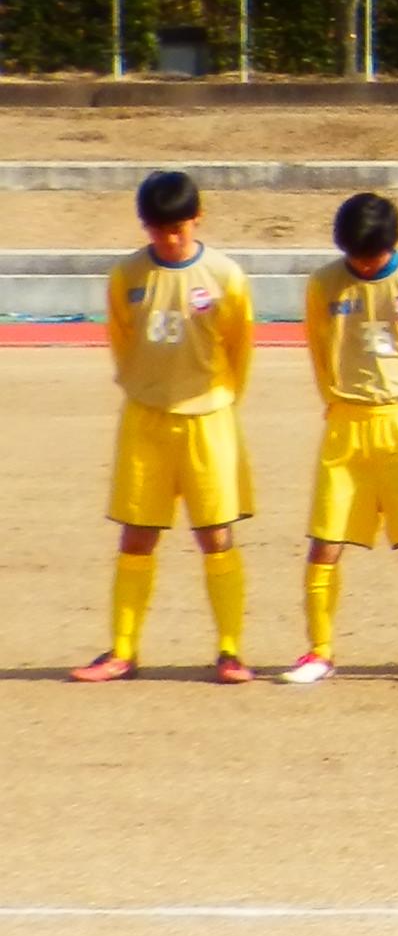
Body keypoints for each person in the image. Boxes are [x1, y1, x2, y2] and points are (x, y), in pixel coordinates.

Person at [79, 167, 256, 684]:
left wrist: (220, 398)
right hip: (145, 419)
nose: (169, 237)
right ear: (144, 226)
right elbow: (121, 337)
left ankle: (230, 650)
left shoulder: (225, 277)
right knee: (137, 535)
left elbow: (238, 347)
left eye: (178, 227)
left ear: (197, 218)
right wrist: (143, 386)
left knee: (216, 534)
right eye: (158, 228)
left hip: (208, 420)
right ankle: (122, 650)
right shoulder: (128, 276)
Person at [288, 188, 398, 687]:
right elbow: (320, 348)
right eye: (353, 256)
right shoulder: (324, 285)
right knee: (325, 542)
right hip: (347, 423)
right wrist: (336, 402)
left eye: (372, 255)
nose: (362, 265)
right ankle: (318, 651)